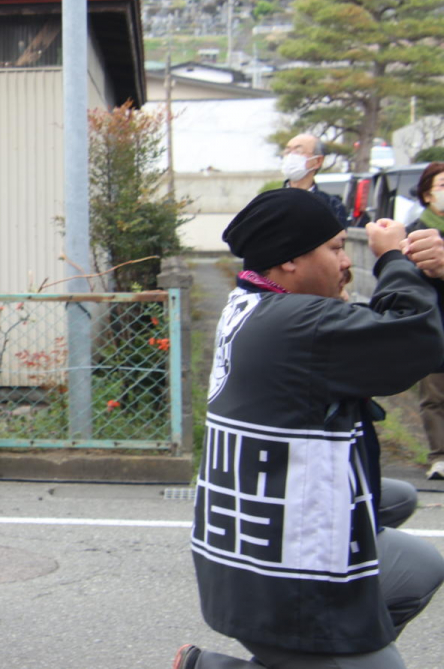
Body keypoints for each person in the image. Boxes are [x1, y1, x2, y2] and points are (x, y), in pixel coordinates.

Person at [174, 187, 444, 669]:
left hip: (245, 551)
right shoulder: (299, 325)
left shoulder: (255, 304)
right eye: (337, 248)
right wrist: (395, 261)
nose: (347, 262)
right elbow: (414, 341)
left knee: (416, 550)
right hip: (283, 584)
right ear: (290, 261)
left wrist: (431, 279)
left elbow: (408, 333)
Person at [408, 161, 444, 480]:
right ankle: (439, 455)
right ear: (427, 194)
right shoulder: (417, 232)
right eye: (442, 186)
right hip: (434, 321)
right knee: (434, 394)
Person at [281, 133, 351, 228]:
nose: (291, 156)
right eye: (288, 151)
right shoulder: (269, 202)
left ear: (318, 161)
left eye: (298, 151)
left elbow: (337, 241)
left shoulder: (332, 206)